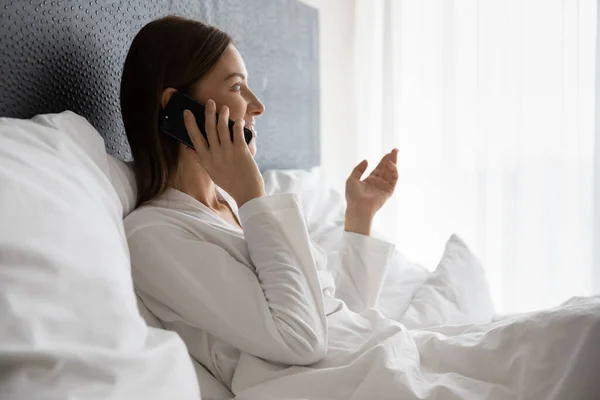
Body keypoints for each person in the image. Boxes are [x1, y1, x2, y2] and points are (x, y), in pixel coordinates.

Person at [121, 15, 600, 400]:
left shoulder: (227, 204)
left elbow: (335, 314)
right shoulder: (155, 236)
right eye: (237, 87)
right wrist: (254, 198)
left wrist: (359, 218)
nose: (258, 106)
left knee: (581, 330)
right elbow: (302, 340)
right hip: (353, 383)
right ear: (178, 108)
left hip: (385, 352)